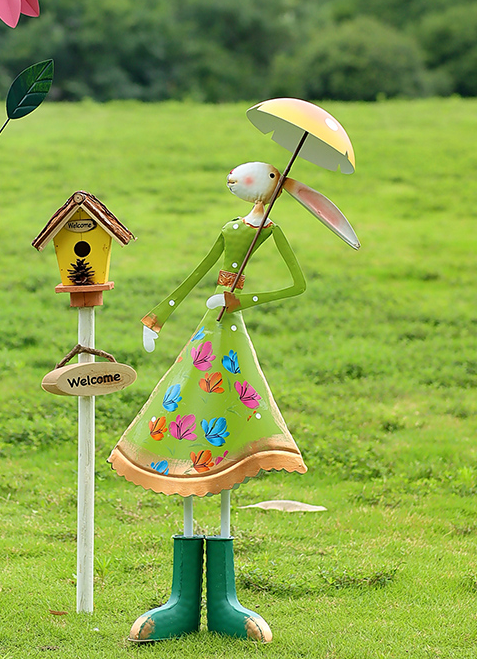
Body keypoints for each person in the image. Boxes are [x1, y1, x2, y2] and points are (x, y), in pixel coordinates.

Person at [108, 160, 359, 643]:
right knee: (188, 415)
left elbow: (296, 284)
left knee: (231, 414)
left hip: (232, 335)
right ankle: (181, 602)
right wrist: (157, 316)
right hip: (205, 336)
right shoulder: (228, 229)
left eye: (250, 176)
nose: (234, 181)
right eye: (234, 175)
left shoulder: (272, 231)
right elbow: (199, 272)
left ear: (271, 183)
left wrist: (243, 300)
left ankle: (224, 603)